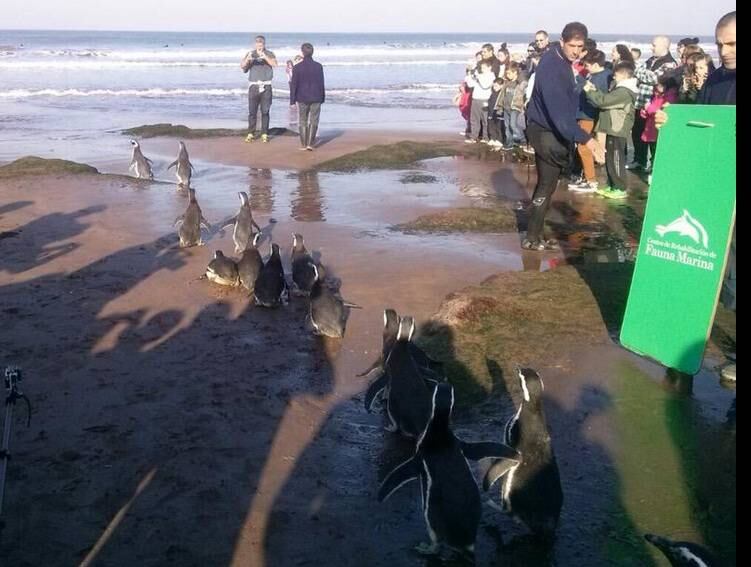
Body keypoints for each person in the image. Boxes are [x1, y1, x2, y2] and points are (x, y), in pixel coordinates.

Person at [656, 11, 736, 381]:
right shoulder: (717, 79)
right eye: (720, 43)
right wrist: (669, 124)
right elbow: (701, 126)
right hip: (716, 190)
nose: (724, 51)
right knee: (722, 276)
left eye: (732, 44)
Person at [525, 22, 606, 251]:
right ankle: (531, 237)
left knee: (548, 185)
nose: (576, 51)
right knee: (546, 184)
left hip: (550, 129)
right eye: (572, 45)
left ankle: (537, 233)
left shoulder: (561, 60)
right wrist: (587, 139)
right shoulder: (553, 67)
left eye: (580, 46)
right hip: (545, 132)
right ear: (561, 42)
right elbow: (560, 118)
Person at [584, 61, 639, 200]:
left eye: (616, 75)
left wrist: (590, 90)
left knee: (616, 158)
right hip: (612, 128)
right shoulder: (620, 89)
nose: (614, 77)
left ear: (623, 75)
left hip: (617, 129)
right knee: (610, 158)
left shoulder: (624, 91)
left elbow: (603, 101)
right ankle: (613, 184)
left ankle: (620, 188)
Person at [629, 36, 678, 173]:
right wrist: (641, 73)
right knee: (637, 133)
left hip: (654, 105)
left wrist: (640, 72)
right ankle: (639, 160)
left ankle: (653, 165)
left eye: (654, 45)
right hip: (640, 104)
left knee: (652, 137)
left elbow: (654, 78)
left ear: (665, 46)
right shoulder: (651, 60)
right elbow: (640, 73)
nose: (651, 47)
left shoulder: (669, 63)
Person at [570, 49, 612, 192]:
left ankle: (591, 181)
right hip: (584, 113)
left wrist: (581, 81)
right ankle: (585, 177)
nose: (585, 68)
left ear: (595, 64)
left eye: (587, 65)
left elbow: (596, 99)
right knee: (583, 146)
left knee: (583, 146)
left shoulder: (601, 78)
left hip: (588, 115)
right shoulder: (596, 75)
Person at [241, 35, 278, 144]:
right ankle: (250, 133)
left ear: (264, 44)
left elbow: (275, 64)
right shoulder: (250, 53)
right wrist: (248, 59)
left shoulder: (270, 53)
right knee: (252, 112)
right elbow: (242, 67)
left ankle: (264, 133)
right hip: (253, 86)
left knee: (265, 111)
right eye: (257, 43)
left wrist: (264, 56)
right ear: (255, 44)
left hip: (266, 86)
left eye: (261, 43)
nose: (259, 44)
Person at [290, 43, 325, 151]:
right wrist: (322, 97)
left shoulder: (297, 67)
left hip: (302, 97)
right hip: (316, 96)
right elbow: (321, 83)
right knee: (314, 120)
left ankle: (303, 144)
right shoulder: (318, 66)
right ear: (312, 52)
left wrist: (292, 100)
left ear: (302, 52)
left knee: (302, 120)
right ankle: (310, 144)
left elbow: (294, 84)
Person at [640, 76, 679, 175]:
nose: (655, 91)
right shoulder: (657, 96)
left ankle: (655, 170)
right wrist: (644, 112)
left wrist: (649, 108)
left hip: (658, 129)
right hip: (651, 127)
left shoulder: (670, 97)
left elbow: (662, 111)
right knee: (652, 149)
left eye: (658, 88)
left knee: (657, 151)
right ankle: (652, 167)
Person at [495, 63, 528, 150]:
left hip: (515, 107)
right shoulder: (507, 83)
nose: (507, 75)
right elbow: (502, 95)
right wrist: (500, 106)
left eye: (509, 73)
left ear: (515, 73)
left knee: (513, 125)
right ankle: (509, 143)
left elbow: (524, 87)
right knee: (507, 126)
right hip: (506, 107)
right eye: (506, 73)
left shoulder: (520, 83)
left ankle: (523, 140)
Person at [464, 60, 495, 144]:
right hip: (476, 99)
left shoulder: (491, 76)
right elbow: (470, 84)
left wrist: (478, 77)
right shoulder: (480, 75)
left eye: (484, 68)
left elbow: (485, 85)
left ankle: (486, 137)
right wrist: (469, 74)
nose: (482, 69)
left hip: (485, 99)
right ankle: (474, 137)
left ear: (489, 67)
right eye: (481, 68)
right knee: (474, 119)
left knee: (485, 120)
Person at [487, 78, 506, 149]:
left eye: (496, 86)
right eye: (494, 86)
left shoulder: (502, 93)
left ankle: (499, 139)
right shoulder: (493, 93)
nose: (494, 88)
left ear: (501, 86)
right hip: (491, 112)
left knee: (499, 126)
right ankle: (492, 138)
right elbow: (490, 101)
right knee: (491, 125)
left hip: (499, 112)